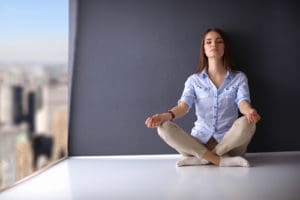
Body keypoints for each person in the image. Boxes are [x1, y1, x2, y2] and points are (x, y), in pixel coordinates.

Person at [145, 28, 261, 167]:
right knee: (163, 128)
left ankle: (203, 159)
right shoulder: (193, 80)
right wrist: (164, 116)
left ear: (224, 48)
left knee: (248, 123)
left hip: (230, 143)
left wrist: (249, 111)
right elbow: (183, 107)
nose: (214, 45)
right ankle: (219, 160)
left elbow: (243, 102)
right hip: (199, 142)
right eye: (209, 42)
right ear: (204, 49)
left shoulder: (239, 78)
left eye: (219, 41)